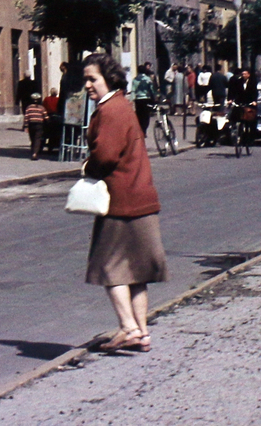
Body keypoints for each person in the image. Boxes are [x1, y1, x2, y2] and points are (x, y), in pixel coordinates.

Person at [81, 52, 168, 353]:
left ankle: (128, 327)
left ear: (109, 78)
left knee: (110, 268)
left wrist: (87, 168)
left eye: (93, 79)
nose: (88, 86)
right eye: (86, 80)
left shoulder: (110, 110)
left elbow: (105, 156)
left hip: (120, 201)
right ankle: (142, 333)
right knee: (137, 272)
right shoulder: (123, 106)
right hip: (141, 196)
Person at [131, 66, 157, 135]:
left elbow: (133, 90)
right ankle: (144, 130)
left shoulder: (135, 79)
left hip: (138, 100)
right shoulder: (148, 79)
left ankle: (140, 129)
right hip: (146, 99)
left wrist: (132, 99)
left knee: (139, 115)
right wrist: (154, 97)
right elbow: (151, 89)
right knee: (146, 115)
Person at [23, 93, 49, 160]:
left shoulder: (29, 108)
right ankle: (35, 153)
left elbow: (26, 117)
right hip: (39, 125)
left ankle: (32, 151)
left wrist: (26, 126)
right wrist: (47, 122)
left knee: (32, 139)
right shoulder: (42, 108)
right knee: (37, 139)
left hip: (31, 124)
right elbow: (46, 117)